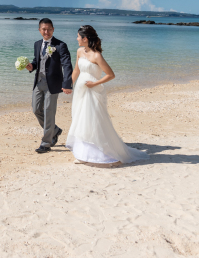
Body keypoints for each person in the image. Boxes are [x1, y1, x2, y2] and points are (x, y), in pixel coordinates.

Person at [66, 25, 148, 164]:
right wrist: (69, 85)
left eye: (78, 37)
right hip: (80, 91)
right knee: (80, 118)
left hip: (93, 91)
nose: (77, 38)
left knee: (93, 120)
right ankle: (82, 153)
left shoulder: (97, 55)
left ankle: (99, 153)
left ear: (85, 38)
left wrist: (94, 84)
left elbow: (111, 75)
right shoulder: (80, 51)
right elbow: (76, 71)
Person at [25, 18, 73, 153]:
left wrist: (67, 83)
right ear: (39, 30)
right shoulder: (37, 44)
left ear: (53, 29)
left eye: (49, 29)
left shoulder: (61, 45)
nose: (46, 32)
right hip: (39, 83)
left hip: (53, 84)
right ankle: (55, 130)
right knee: (36, 110)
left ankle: (46, 143)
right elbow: (36, 61)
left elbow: (67, 65)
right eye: (43, 29)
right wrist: (31, 66)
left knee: (49, 112)